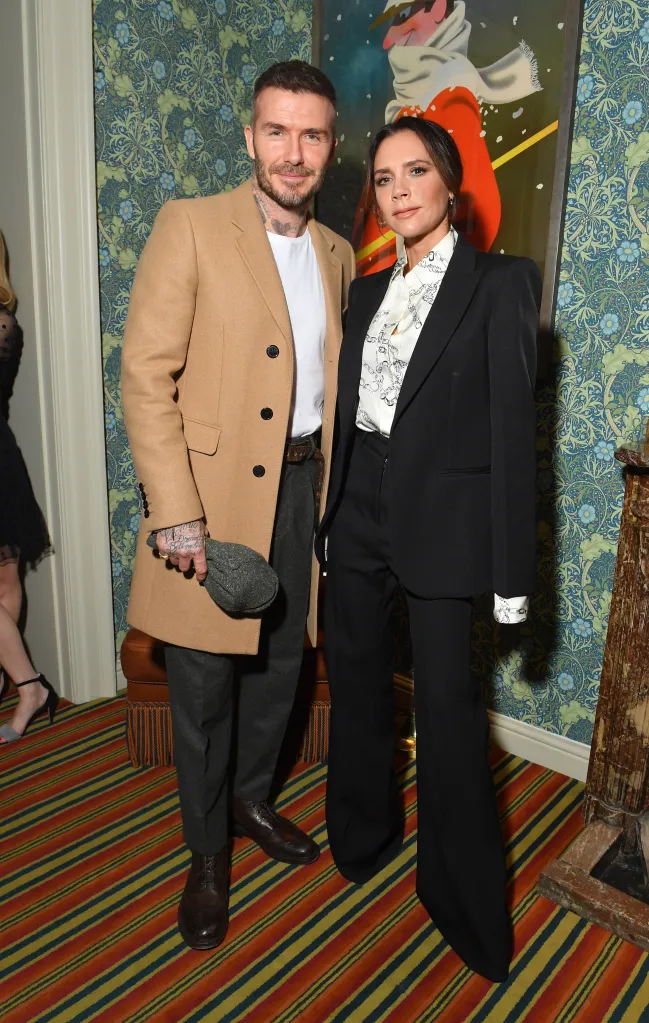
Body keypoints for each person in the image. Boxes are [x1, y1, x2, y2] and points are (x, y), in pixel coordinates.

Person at [121, 61, 355, 950]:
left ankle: (254, 798)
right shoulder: (189, 225)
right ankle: (205, 852)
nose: (293, 153)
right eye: (277, 131)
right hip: (208, 504)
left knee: (282, 667)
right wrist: (175, 514)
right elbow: (146, 377)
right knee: (207, 686)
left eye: (312, 134)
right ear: (248, 136)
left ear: (331, 145)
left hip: (304, 489)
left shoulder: (336, 251)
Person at [317, 117, 541, 982]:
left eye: (415, 171)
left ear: (450, 184)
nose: (398, 189)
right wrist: (330, 520)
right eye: (382, 177)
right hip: (357, 510)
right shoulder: (365, 295)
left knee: (448, 718)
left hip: (445, 526)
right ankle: (363, 835)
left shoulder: (500, 284)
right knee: (360, 685)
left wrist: (509, 578)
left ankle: (462, 903)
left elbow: (513, 437)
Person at [354, 0, 541, 273]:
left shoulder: (450, 90)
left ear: (439, 7)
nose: (388, 42)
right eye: (384, 179)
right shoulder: (407, 106)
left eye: (402, 17)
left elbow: (481, 207)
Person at [0, 231, 56, 744]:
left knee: (4, 581)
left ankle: (28, 685)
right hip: (4, 457)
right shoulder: (6, 323)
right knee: (5, 581)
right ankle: (13, 677)